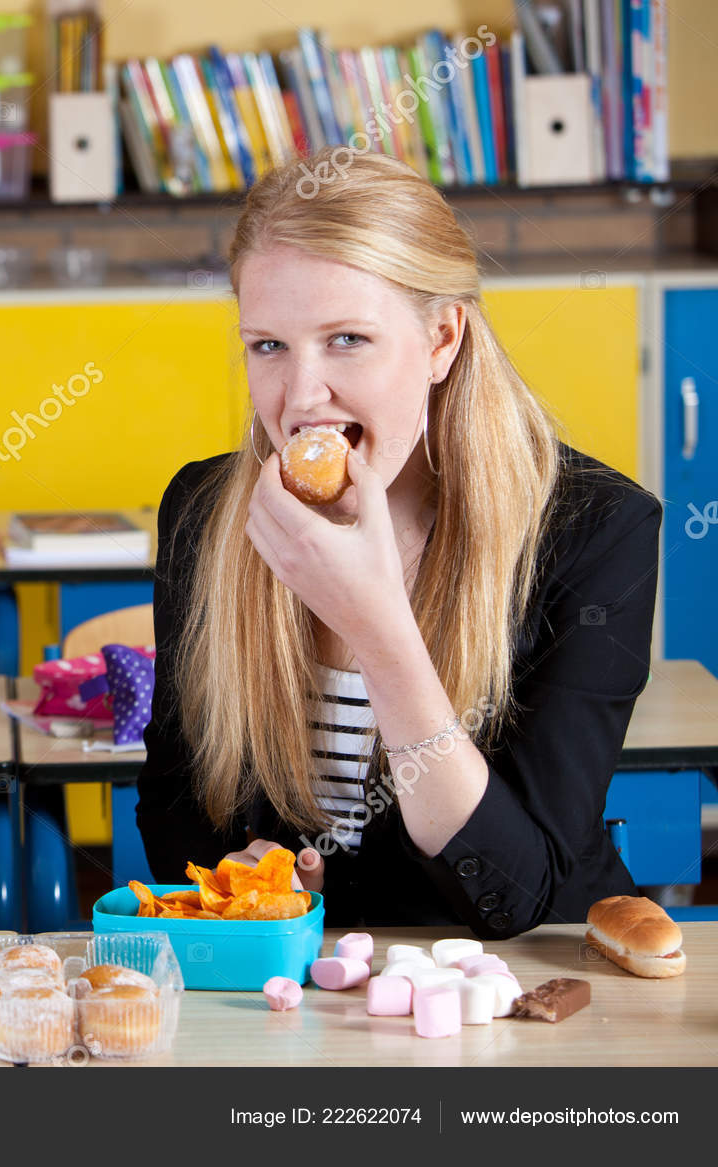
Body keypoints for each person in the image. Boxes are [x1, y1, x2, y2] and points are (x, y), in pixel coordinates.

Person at [136, 148, 660, 938]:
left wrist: (379, 626)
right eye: (268, 346)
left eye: (347, 338)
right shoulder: (204, 513)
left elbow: (516, 894)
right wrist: (243, 868)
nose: (302, 395)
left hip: (517, 985)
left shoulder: (595, 532)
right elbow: (174, 799)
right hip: (297, 987)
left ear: (444, 338)